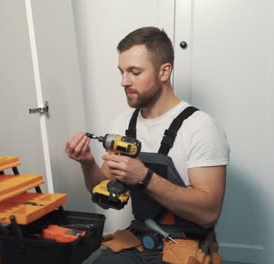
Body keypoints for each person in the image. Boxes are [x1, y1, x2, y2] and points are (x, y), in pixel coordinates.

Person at [65, 27, 229, 263]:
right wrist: (87, 163)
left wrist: (144, 177)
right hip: (138, 240)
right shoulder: (123, 123)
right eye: (121, 72)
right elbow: (104, 192)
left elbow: (208, 214)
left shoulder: (201, 127)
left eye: (134, 72)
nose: (124, 82)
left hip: (185, 245)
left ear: (164, 71)